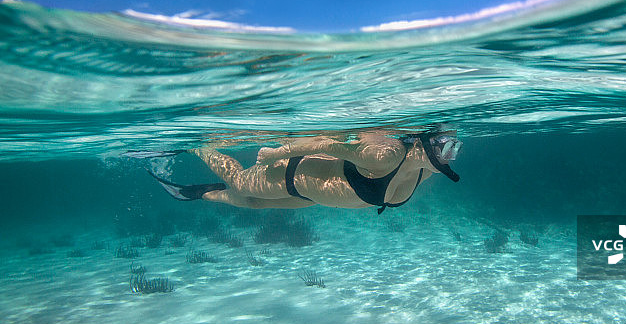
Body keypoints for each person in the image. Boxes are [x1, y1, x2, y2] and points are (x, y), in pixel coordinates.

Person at [145, 130, 462, 214]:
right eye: (443, 144)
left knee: (254, 203)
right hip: (294, 174)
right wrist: (275, 153)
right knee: (241, 183)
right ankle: (195, 147)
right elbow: (325, 142)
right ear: (421, 142)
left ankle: (199, 193)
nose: (449, 151)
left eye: (451, 147)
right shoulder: (386, 153)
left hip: (312, 196)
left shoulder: (426, 170)